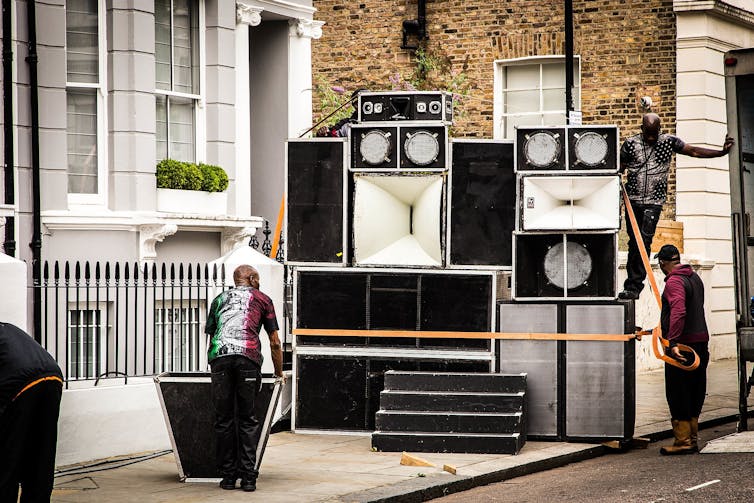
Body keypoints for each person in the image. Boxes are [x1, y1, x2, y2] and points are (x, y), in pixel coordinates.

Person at [618, 113, 734, 300]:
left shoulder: (668, 142)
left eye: (654, 135)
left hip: (653, 202)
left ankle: (634, 287)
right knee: (634, 242)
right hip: (633, 200)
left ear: (659, 130)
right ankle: (632, 284)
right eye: (647, 134)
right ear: (641, 130)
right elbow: (618, 168)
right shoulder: (630, 144)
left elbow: (693, 151)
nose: (651, 139)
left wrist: (720, 153)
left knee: (644, 242)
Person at [205, 265, 284, 492]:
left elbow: (212, 335)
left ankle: (228, 477)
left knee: (224, 419)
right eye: (256, 278)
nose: (258, 281)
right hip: (247, 359)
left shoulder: (219, 299)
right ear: (251, 278)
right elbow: (275, 342)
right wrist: (279, 372)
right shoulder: (263, 299)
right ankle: (249, 478)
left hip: (220, 359)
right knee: (247, 419)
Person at [655, 244, 710, 455]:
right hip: (700, 343)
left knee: (678, 393)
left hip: (683, 346)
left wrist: (674, 342)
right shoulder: (694, 278)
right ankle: (692, 438)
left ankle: (684, 441)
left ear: (662, 263)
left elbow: (679, 311)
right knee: (696, 390)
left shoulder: (674, 282)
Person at [0, 322, 64, 502]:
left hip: (19, 383)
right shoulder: (8, 329)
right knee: (41, 454)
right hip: (53, 378)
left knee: (7, 457)